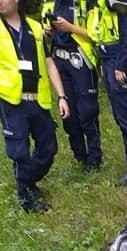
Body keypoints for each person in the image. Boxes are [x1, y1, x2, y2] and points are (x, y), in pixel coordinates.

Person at [55, 0, 127, 190]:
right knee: (121, 119)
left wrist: (122, 65)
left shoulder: (121, 2)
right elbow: (100, 32)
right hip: (108, 59)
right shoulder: (100, 3)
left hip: (120, 61)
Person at [0, 0, 69, 211]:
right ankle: (27, 199)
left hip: (38, 99)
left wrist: (61, 96)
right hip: (11, 100)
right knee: (19, 151)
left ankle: (27, 180)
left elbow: (48, 62)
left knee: (48, 148)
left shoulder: (35, 27)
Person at [42, 0, 101, 173]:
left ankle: (94, 159)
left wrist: (70, 28)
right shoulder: (50, 4)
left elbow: (97, 34)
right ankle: (80, 157)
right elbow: (42, 38)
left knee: (87, 112)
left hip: (81, 59)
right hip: (59, 60)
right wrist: (48, 33)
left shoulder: (86, 3)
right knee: (68, 115)